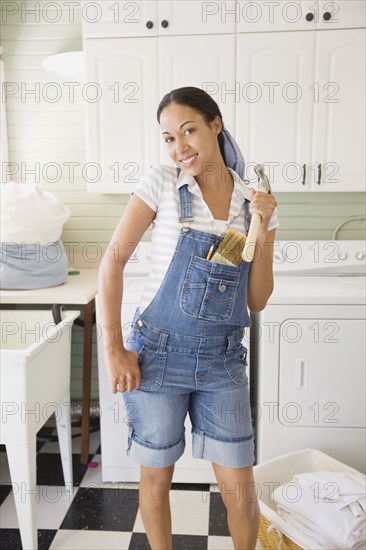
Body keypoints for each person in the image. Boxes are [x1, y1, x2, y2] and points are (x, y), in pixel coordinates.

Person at [98, 86, 279, 550]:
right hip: (155, 356)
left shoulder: (252, 202)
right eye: (168, 138)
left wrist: (264, 227)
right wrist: (115, 349)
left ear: (215, 125)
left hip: (222, 361)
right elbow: (112, 262)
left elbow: (256, 301)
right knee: (157, 481)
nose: (179, 147)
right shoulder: (162, 182)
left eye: (189, 130)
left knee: (240, 492)